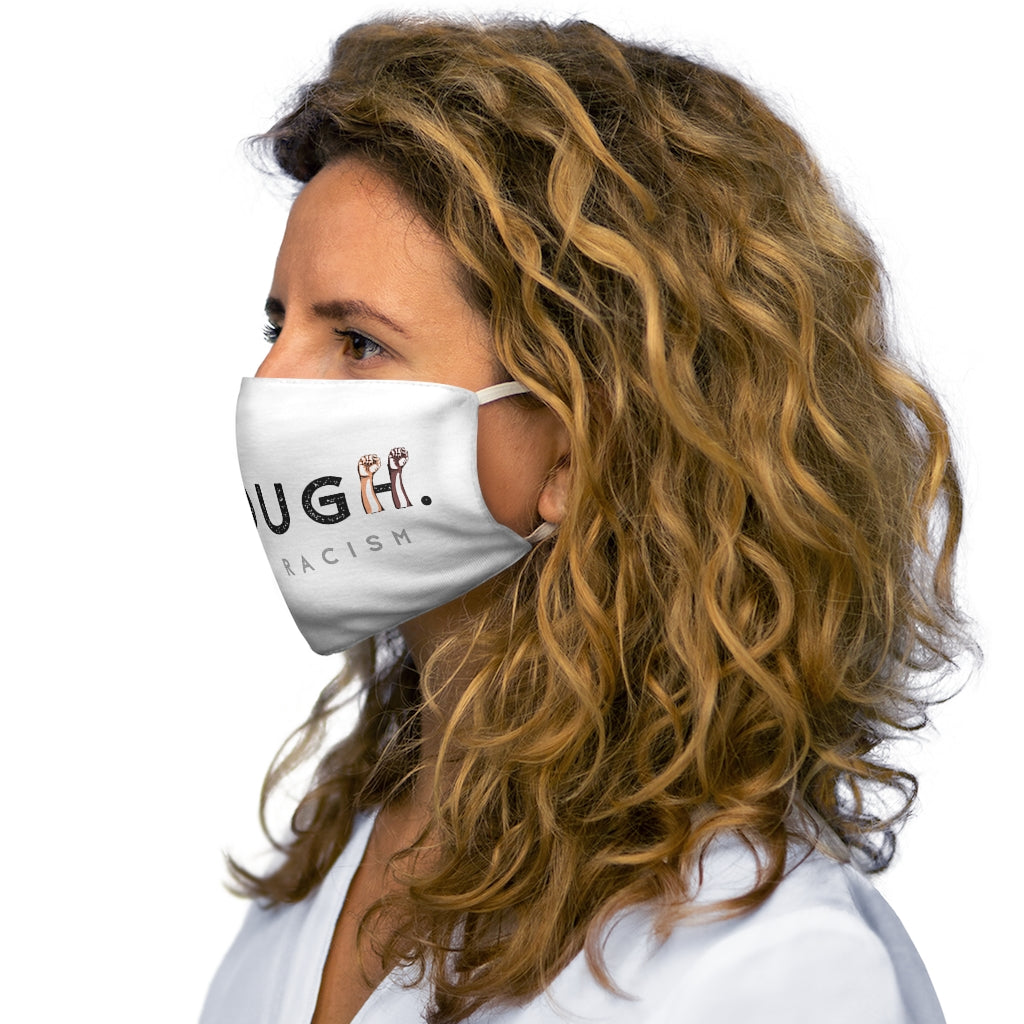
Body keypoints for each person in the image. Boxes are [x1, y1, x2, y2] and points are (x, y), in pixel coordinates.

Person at [203, 16, 970, 1024]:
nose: (270, 386)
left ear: (574, 448)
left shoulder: (772, 969)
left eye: (355, 342)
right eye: (277, 325)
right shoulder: (327, 859)